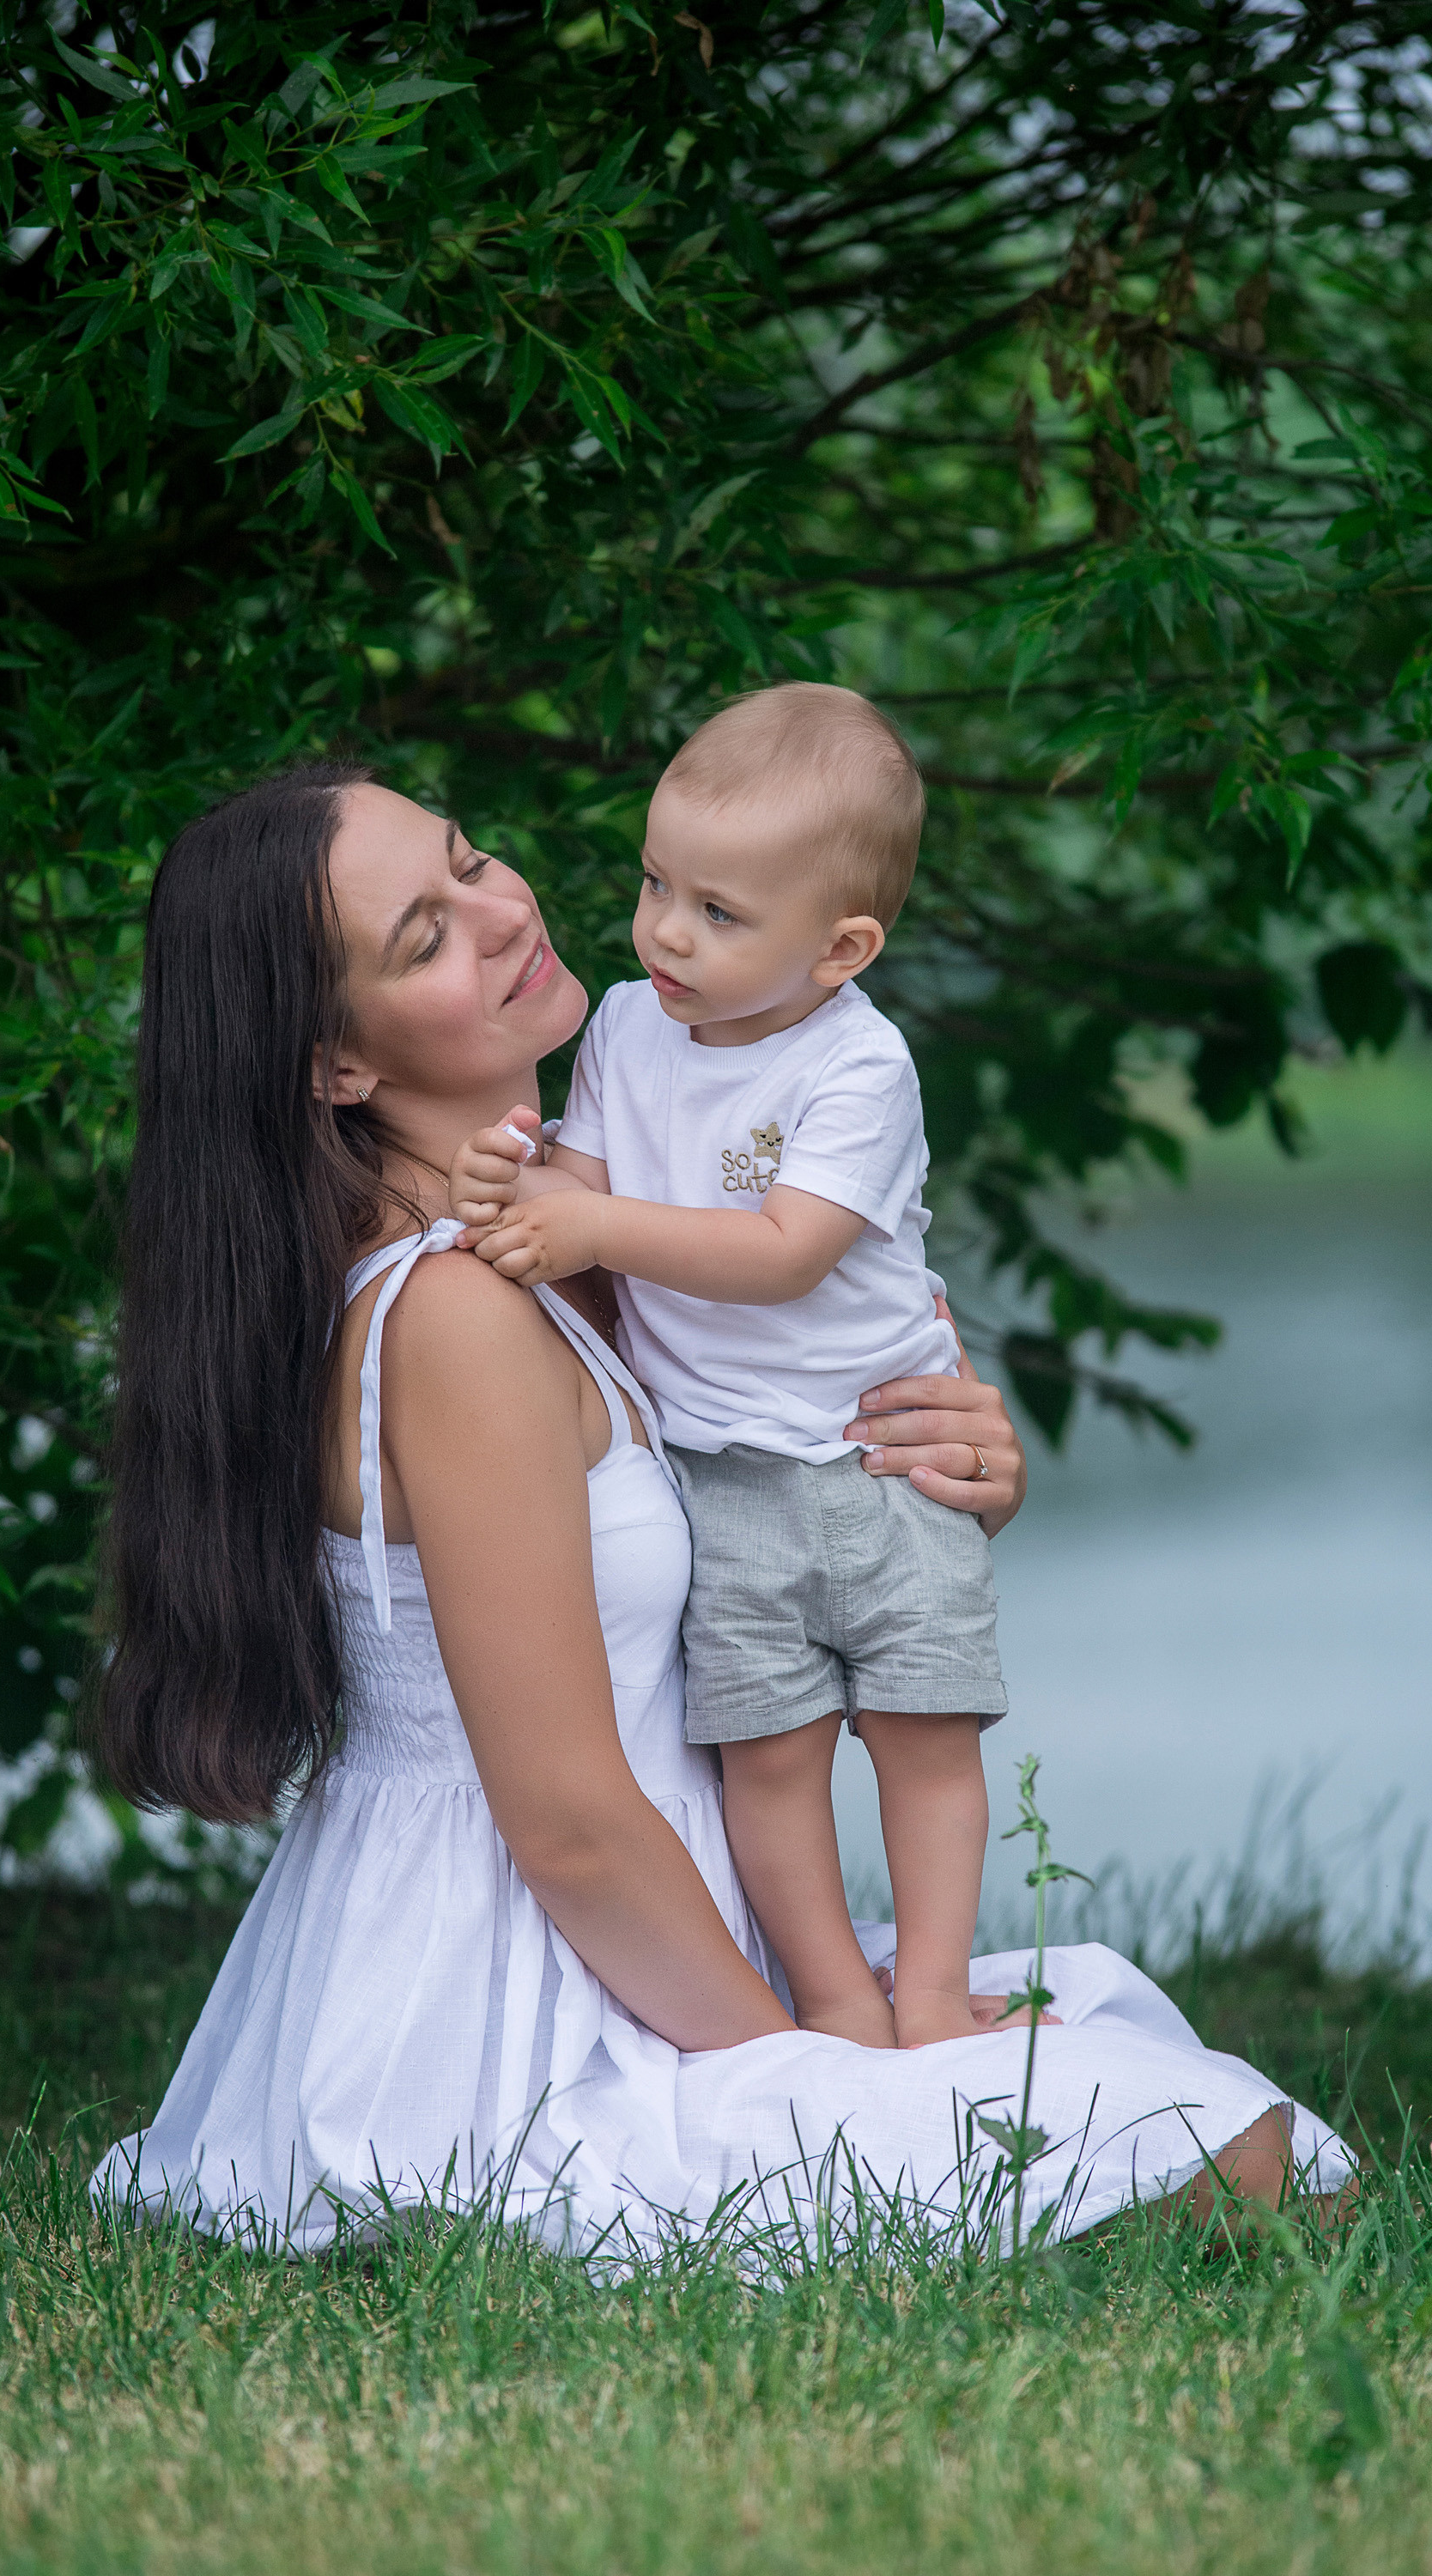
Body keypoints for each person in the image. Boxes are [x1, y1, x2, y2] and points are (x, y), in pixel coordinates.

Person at [89, 762, 1354, 2257]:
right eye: (424, 938)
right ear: (336, 1066)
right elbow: (567, 1825)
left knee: (1107, 2029)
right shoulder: (454, 1317)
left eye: (472, 858)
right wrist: (814, 2070)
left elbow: (756, 1521)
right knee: (1243, 2159)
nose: (502, 914)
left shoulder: (563, 1240)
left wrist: (937, 1482)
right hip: (521, 2012)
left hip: (649, 1948)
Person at [448, 684, 1003, 2050]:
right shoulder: (628, 1026)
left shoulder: (858, 1066)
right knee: (768, 1754)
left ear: (841, 947)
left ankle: (934, 1998)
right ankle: (834, 2003)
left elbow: (786, 1250)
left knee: (926, 1738)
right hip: (722, 1475)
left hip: (881, 1457)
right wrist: (512, 1181)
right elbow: (581, 1181)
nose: (666, 932)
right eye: (656, 885)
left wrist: (588, 1226)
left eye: (718, 912)